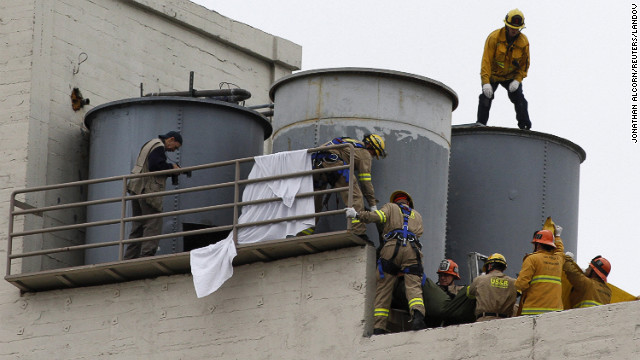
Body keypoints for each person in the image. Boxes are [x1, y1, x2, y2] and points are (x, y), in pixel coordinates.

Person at [345, 190, 425, 334]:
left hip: (391, 248)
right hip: (413, 251)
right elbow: (418, 233)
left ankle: (379, 327)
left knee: (384, 286)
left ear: (396, 201)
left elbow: (377, 217)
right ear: (409, 203)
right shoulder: (417, 216)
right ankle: (417, 315)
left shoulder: (390, 207)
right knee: (413, 285)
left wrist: (357, 215)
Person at [303, 134, 386, 240]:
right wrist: (372, 204)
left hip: (316, 164)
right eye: (374, 153)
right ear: (370, 146)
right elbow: (365, 182)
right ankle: (358, 231)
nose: (372, 156)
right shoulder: (365, 153)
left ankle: (303, 234)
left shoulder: (349, 142)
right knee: (355, 195)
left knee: (315, 202)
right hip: (334, 162)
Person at [124, 131, 183, 259]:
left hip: (136, 187)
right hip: (147, 190)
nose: (174, 150)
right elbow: (155, 166)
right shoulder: (159, 146)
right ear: (171, 139)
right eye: (175, 146)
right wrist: (172, 168)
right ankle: (147, 256)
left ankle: (129, 257)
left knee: (138, 226)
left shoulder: (150, 143)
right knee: (153, 222)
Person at [477, 8, 532, 130]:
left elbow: (525, 64)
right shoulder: (494, 38)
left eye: (517, 29)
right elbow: (486, 62)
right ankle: (480, 125)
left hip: (511, 77)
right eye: (512, 27)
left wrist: (517, 80)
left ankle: (524, 126)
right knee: (486, 98)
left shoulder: (524, 43)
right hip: (494, 75)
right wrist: (486, 83)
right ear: (506, 26)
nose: (514, 31)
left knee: (519, 99)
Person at [515, 224, 565, 315]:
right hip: (555, 312)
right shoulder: (559, 260)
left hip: (533, 311)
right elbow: (560, 250)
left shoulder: (532, 259)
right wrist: (558, 237)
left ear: (537, 245)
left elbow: (520, 285)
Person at [466, 253, 517, 321]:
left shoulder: (480, 280)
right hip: (506, 322)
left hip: (484, 320)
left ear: (489, 266)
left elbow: (469, 294)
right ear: (503, 267)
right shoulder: (514, 282)